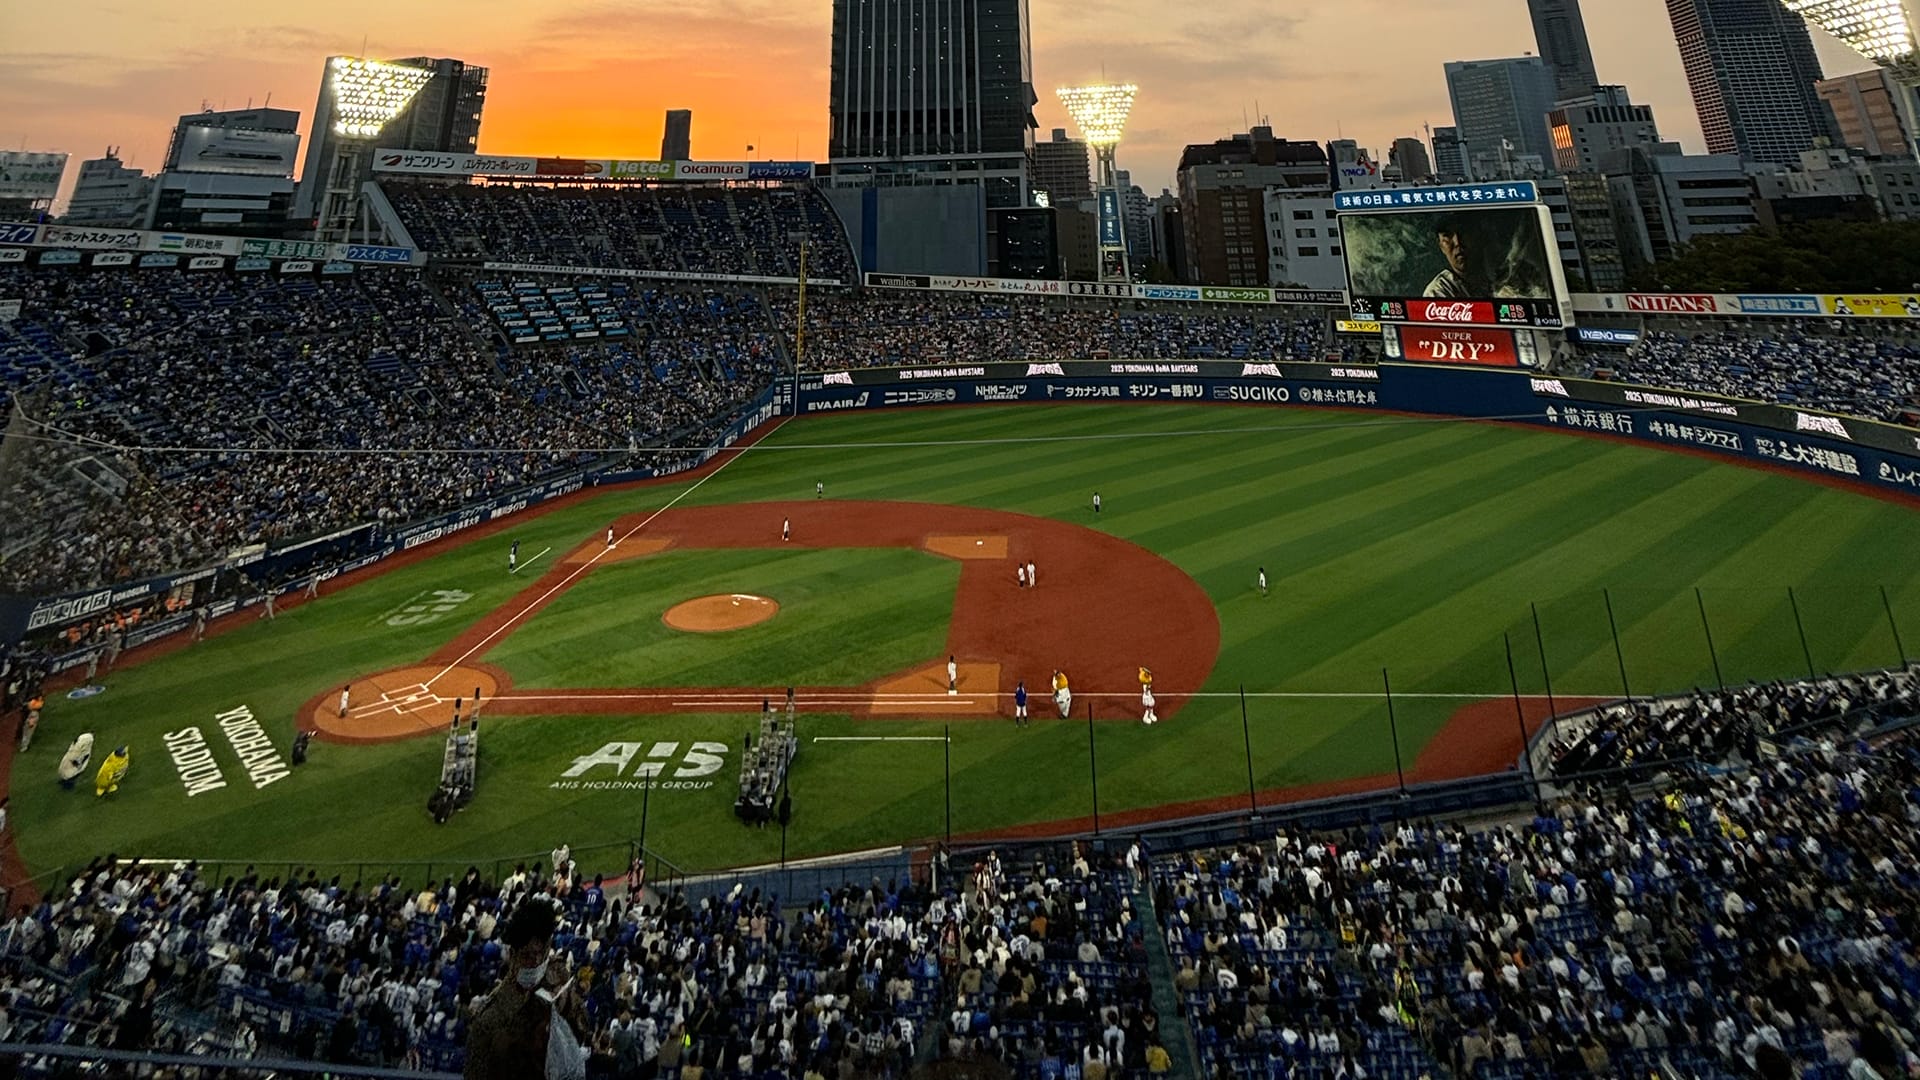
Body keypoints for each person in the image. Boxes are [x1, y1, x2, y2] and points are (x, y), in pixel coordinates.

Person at [465, 898, 587, 1080]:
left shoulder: (558, 980)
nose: (536, 962)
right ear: (513, 955)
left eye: (542, 953)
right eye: (527, 956)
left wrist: (567, 1005)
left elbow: (581, 1032)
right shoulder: (490, 1018)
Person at [1422, 215, 1484, 298]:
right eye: (1447, 236)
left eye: (1463, 232)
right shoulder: (1439, 291)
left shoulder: (1498, 276)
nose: (1457, 242)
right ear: (1441, 247)